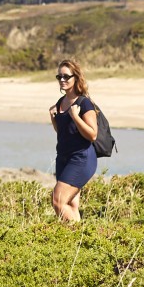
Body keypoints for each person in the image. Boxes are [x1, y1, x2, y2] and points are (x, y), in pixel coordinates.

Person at [48, 59, 99, 223]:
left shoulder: (84, 103)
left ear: (76, 78)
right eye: (59, 77)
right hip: (63, 158)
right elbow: (64, 133)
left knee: (58, 200)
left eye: (66, 77)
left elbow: (92, 135)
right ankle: (76, 242)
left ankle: (77, 235)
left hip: (81, 158)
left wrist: (75, 116)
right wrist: (54, 119)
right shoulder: (60, 102)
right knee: (70, 203)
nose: (62, 80)